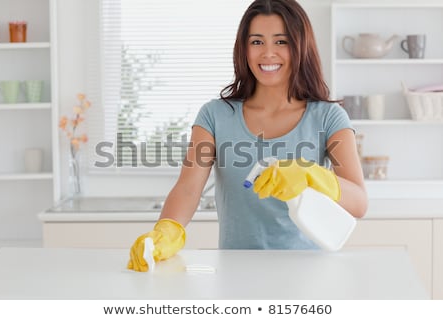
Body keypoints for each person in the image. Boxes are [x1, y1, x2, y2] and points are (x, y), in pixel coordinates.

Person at [128, 0, 367, 272]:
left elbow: (359, 202)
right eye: (256, 42)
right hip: (235, 271)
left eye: (281, 42)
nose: (267, 53)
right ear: (243, 48)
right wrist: (167, 231)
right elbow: (188, 189)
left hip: (308, 271)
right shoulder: (215, 115)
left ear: (301, 46)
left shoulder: (328, 117)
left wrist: (311, 174)